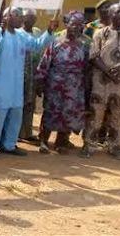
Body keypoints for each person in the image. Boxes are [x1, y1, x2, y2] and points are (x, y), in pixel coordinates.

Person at [0, 7, 55, 158]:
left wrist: (49, 31)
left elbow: (36, 45)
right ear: (8, 17)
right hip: (1, 84)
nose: (21, 20)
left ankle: (9, 145)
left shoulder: (22, 35)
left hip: (17, 84)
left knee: (16, 114)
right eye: (18, 17)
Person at [82, 4, 120, 160]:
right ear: (111, 14)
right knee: (96, 114)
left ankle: (114, 147)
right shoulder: (101, 33)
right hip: (101, 82)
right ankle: (89, 145)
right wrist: (108, 72)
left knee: (118, 116)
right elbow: (93, 56)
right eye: (119, 11)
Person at [36, 12, 90, 154]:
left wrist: (84, 87)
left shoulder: (83, 46)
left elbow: (86, 69)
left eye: (79, 26)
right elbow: (44, 63)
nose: (76, 28)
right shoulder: (56, 42)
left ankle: (61, 141)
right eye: (73, 24)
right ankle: (43, 140)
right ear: (67, 25)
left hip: (74, 87)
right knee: (50, 112)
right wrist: (40, 82)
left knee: (68, 113)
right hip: (54, 86)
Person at [19, 9, 43, 142]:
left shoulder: (37, 32)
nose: (32, 20)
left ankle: (27, 132)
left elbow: (41, 51)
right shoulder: (18, 33)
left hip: (34, 72)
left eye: (34, 17)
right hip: (21, 73)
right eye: (29, 17)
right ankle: (16, 133)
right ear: (23, 18)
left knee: (30, 103)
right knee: (19, 104)